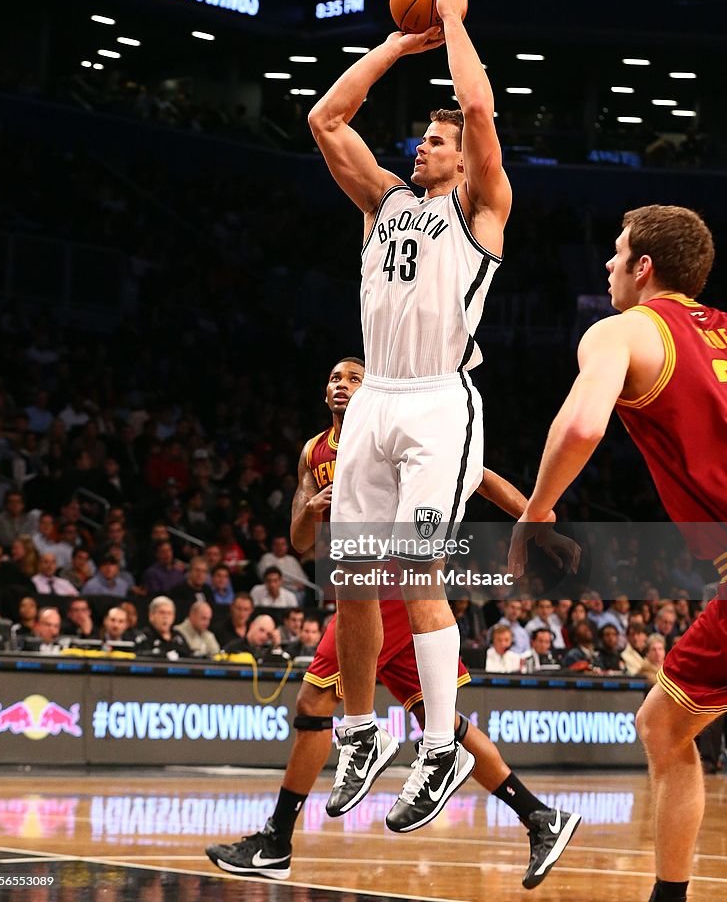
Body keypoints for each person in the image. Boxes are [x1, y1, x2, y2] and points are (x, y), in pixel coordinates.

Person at [207, 358, 580, 887]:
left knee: (314, 703)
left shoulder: (391, 432)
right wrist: (310, 508)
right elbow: (300, 542)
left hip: (385, 589)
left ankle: (277, 840)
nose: (342, 385)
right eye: (335, 377)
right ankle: (541, 816)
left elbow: (478, 478)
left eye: (354, 378)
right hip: (373, 592)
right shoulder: (314, 453)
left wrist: (537, 523)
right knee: (441, 722)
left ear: (375, 389)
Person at [307, 0, 513, 832]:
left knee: (420, 572)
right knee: (352, 577)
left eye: (436, 141)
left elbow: (475, 111)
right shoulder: (382, 201)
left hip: (437, 400)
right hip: (377, 398)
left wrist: (455, 18)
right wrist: (398, 41)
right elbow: (325, 118)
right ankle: (361, 732)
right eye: (420, 140)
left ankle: (436, 746)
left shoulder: (482, 207)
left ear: (464, 161)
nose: (422, 146)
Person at [509, 205, 727, 902]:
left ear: (643, 268)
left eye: (615, 252)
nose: (605, 265)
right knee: (664, 721)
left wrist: (535, 513)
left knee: (662, 726)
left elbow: (579, 423)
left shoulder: (624, 330)